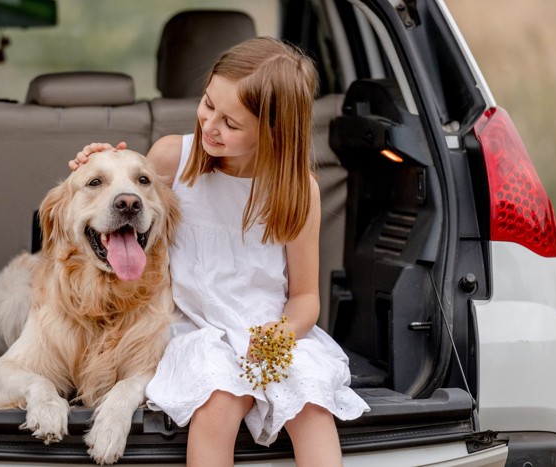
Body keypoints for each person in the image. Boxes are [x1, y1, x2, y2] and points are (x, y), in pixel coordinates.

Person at [70, 36, 369, 467]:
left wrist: (276, 341)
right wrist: (97, 160)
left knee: (310, 405)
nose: (210, 125)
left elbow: (305, 297)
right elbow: (122, 198)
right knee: (219, 401)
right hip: (194, 329)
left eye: (231, 123)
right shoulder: (174, 158)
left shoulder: (299, 191)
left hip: (269, 332)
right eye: (208, 104)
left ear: (272, 131)